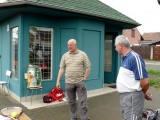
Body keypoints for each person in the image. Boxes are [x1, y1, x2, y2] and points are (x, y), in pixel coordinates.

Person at [114, 35, 152, 120]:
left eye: (115, 45)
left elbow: (145, 82)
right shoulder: (124, 58)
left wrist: (143, 92)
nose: (115, 48)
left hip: (132, 97)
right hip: (125, 97)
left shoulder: (134, 57)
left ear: (120, 45)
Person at [56, 39, 91, 120]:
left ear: (75, 45)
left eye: (71, 45)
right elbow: (61, 69)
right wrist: (57, 81)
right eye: (68, 45)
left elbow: (88, 67)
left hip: (80, 82)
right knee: (71, 102)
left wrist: (84, 78)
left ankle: (84, 118)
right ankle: (73, 117)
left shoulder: (82, 54)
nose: (69, 47)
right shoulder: (65, 56)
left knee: (83, 102)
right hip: (69, 83)